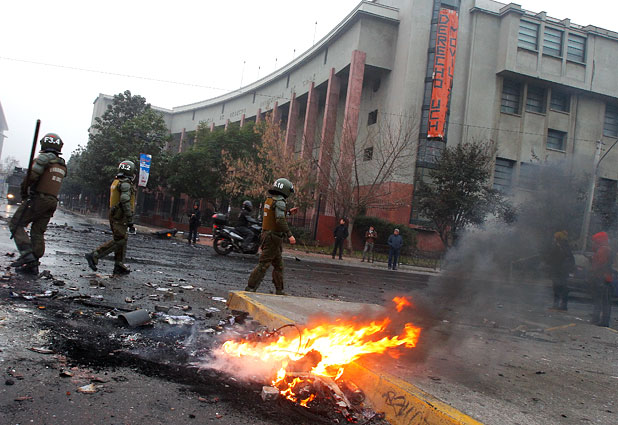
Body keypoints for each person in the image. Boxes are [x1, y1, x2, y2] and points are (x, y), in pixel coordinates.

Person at [9, 133, 67, 275]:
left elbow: (31, 177)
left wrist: (24, 193)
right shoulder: (61, 165)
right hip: (52, 202)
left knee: (16, 224)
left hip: (38, 199)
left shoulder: (43, 160)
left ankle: (27, 256)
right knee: (37, 231)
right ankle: (33, 263)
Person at [245, 178, 298, 295]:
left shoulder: (270, 200)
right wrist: (290, 235)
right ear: (285, 190)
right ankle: (250, 288)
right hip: (273, 237)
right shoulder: (280, 202)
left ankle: (279, 290)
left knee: (279, 265)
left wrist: (288, 213)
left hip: (270, 236)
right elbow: (280, 220)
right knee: (264, 264)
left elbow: (275, 216)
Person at [85, 160, 136, 275]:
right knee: (120, 240)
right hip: (120, 215)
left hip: (114, 214)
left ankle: (119, 265)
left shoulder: (116, 181)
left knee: (122, 238)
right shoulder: (125, 183)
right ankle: (95, 255)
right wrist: (129, 218)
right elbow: (125, 200)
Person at [546, 231, 574, 310]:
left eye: (555, 238)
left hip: (558, 270)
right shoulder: (566, 246)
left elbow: (552, 258)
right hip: (564, 271)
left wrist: (548, 261)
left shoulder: (558, 246)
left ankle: (556, 304)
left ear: (557, 238)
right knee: (563, 288)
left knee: (557, 288)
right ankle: (563, 305)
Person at [589, 231, 613, 327]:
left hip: (603, 278)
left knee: (602, 300)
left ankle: (603, 320)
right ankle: (599, 319)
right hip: (604, 277)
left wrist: (594, 270)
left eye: (595, 241)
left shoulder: (603, 250)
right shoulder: (605, 249)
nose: (593, 243)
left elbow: (601, 264)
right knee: (602, 300)